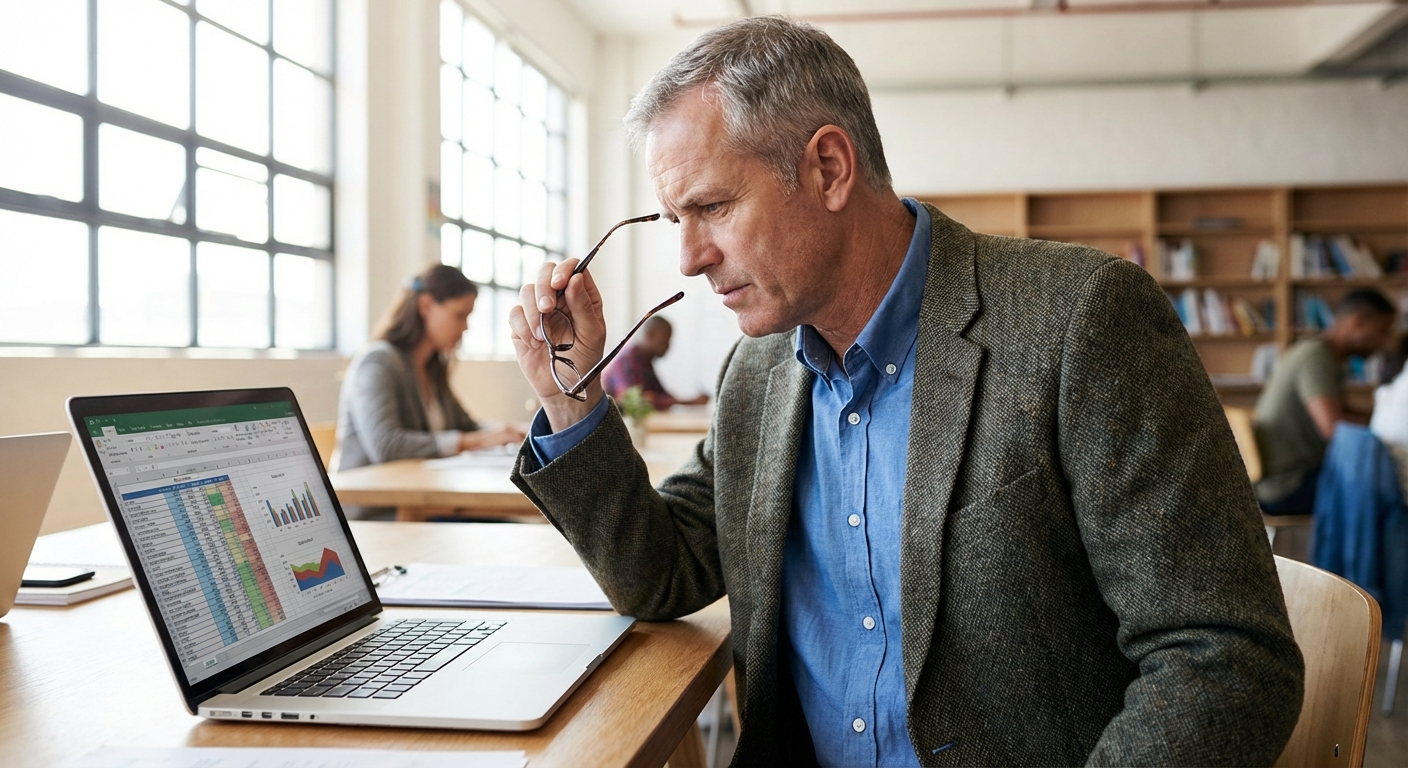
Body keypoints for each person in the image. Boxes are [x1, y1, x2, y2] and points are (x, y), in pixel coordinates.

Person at [506, 17, 1302, 766]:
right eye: (673, 217)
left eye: (712, 207)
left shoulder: (1082, 320)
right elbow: (664, 572)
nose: (687, 257)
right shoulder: (756, 375)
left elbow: (1224, 655)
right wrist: (572, 400)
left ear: (828, 168)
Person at [335, 264, 524, 519]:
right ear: (425, 306)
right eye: (460, 315)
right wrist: (475, 442)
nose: (466, 327)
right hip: (380, 511)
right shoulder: (378, 361)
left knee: (505, 525)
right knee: (503, 530)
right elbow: (387, 445)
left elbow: (466, 426)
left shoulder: (432, 366)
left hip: (423, 503)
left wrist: (510, 433)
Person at [1254, 289, 1396, 516]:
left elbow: (1343, 414)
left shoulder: (1318, 353)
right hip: (1289, 486)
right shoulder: (1316, 357)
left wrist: (1384, 419)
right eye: (1382, 331)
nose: (1385, 343)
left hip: (1289, 478)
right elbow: (1333, 428)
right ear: (1358, 321)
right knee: (1390, 491)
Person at [601, 316, 710, 408]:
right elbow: (633, 401)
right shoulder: (626, 361)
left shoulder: (645, 362)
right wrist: (689, 402)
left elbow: (661, 395)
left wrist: (692, 401)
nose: (668, 346)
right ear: (650, 334)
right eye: (665, 340)